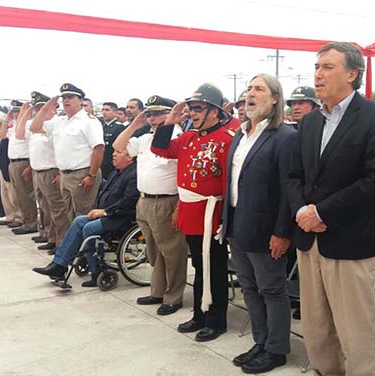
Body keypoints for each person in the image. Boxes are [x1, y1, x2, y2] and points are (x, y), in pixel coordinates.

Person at [285, 42, 375, 376]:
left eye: (327, 67)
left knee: (355, 330)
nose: (318, 75)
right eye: (317, 67)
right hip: (309, 239)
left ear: (352, 73)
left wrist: (321, 212)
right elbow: (293, 176)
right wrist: (301, 213)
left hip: (349, 241)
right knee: (316, 326)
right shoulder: (309, 123)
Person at [220, 73, 296, 374]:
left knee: (271, 289)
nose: (250, 94)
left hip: (267, 231)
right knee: (249, 287)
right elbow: (232, 183)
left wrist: (282, 232)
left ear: (275, 98)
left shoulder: (285, 137)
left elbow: (288, 191)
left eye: (259, 89)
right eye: (249, 88)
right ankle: (261, 341)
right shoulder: (240, 134)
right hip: (238, 225)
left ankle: (276, 350)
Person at [151, 83, 235, 343]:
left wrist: (224, 220)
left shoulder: (227, 138)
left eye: (197, 108)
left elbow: (229, 184)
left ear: (214, 111)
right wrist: (170, 122)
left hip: (212, 215)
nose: (192, 113)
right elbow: (160, 149)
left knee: (214, 268)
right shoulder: (188, 138)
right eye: (190, 108)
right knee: (199, 266)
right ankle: (200, 313)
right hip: (191, 211)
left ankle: (216, 319)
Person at [113, 95, 188, 316]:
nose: (154, 119)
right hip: (144, 201)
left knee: (172, 252)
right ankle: (158, 291)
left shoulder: (178, 138)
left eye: (158, 113)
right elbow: (119, 147)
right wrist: (135, 124)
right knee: (154, 251)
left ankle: (173, 296)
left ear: (169, 114)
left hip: (166, 201)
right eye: (151, 114)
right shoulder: (146, 138)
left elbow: (182, 175)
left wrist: (179, 206)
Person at [32, 149, 138, 287]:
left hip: (121, 217)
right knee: (79, 221)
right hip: (108, 214)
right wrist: (95, 210)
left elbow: (128, 202)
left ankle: (96, 271)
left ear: (130, 157)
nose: (114, 154)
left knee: (89, 228)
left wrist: (104, 212)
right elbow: (102, 195)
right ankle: (59, 264)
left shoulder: (134, 174)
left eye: (119, 152)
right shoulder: (116, 173)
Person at [30, 83, 104, 220]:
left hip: (82, 173)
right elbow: (34, 127)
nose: (66, 101)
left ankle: (87, 242)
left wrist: (91, 175)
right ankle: (76, 242)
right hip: (65, 175)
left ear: (81, 100)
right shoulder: (59, 121)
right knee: (70, 215)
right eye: (63, 98)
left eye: (70, 97)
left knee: (83, 215)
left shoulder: (89, 121)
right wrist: (46, 107)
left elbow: (98, 148)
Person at [18, 92, 70, 252]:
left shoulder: (56, 123)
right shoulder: (39, 124)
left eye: (42, 107)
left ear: (53, 108)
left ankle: (62, 242)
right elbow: (19, 134)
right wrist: (25, 112)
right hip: (38, 171)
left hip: (51, 171)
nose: (38, 111)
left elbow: (62, 150)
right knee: (45, 208)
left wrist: (60, 173)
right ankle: (51, 236)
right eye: (37, 108)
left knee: (57, 210)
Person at [6, 97, 39, 235]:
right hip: (14, 162)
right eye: (14, 111)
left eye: (18, 111)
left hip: (24, 162)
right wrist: (8, 118)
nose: (15, 114)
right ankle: (27, 221)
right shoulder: (16, 125)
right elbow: (2, 134)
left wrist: (25, 113)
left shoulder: (29, 124)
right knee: (20, 195)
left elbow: (24, 139)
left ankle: (31, 223)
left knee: (26, 196)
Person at [100, 102, 124, 179]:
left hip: (111, 165)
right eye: (102, 110)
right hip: (101, 164)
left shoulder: (119, 127)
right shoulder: (103, 127)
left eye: (107, 110)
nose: (104, 112)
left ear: (115, 112)